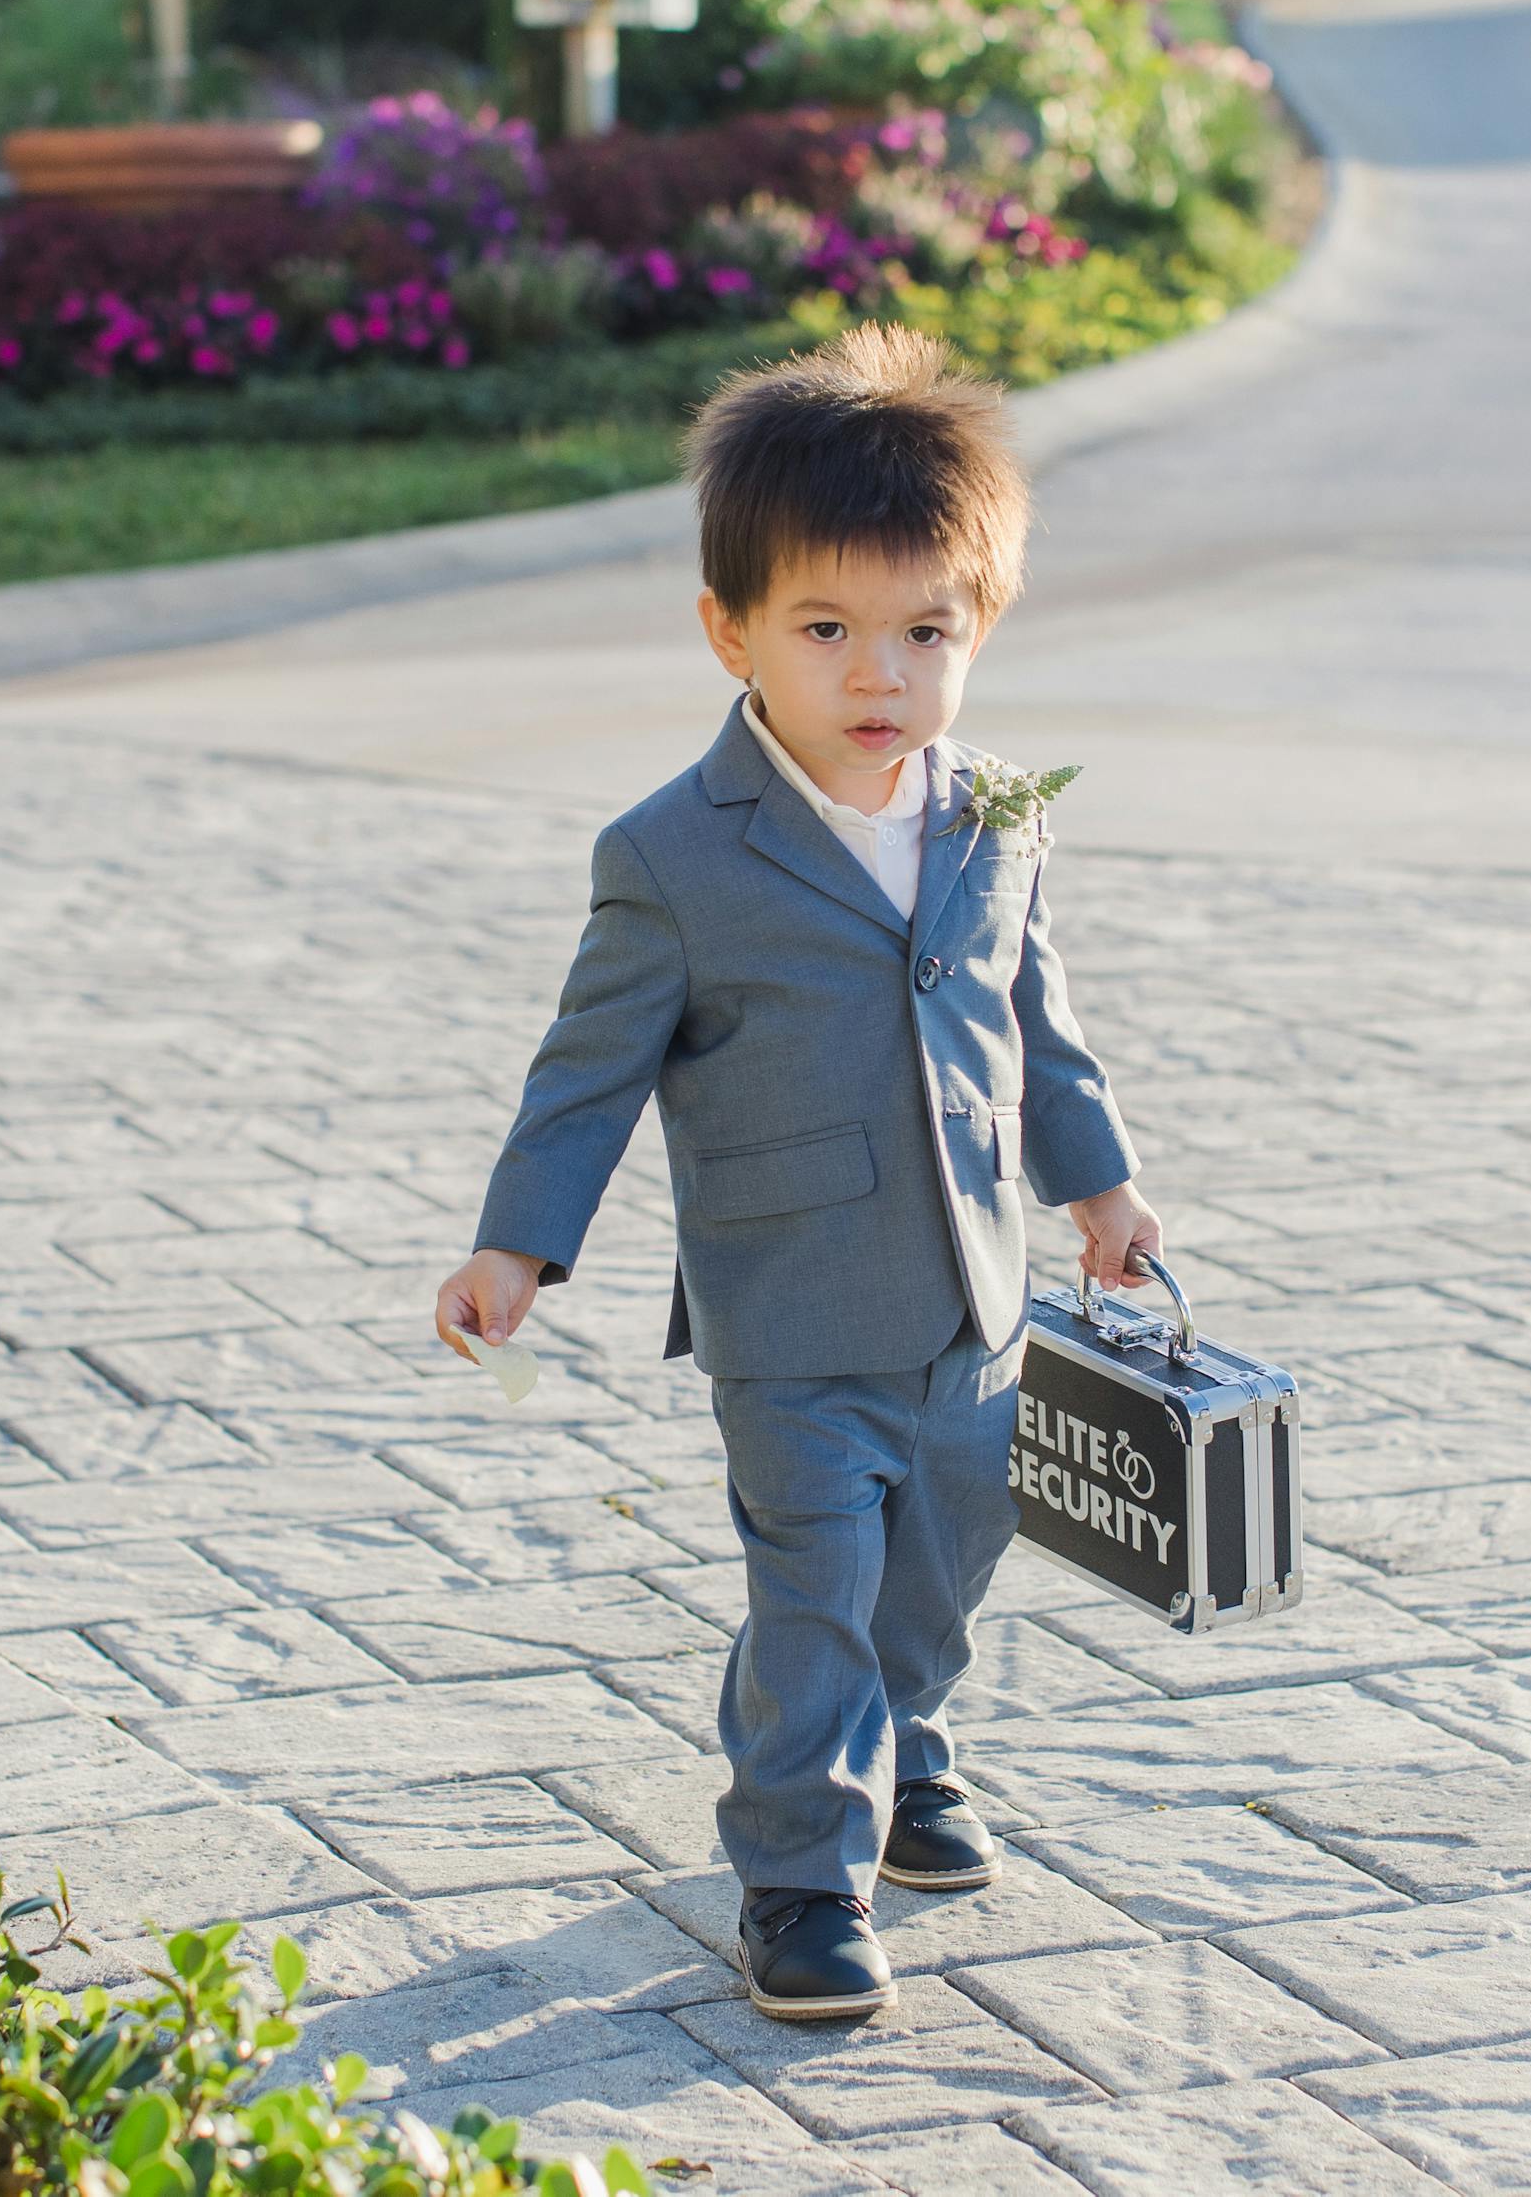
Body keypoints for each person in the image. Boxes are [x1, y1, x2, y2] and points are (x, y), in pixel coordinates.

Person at [432, 324, 1164, 2022]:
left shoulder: (995, 815)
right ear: (732, 632)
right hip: (793, 1314)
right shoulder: (674, 855)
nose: (876, 674)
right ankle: (799, 1876)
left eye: (925, 633)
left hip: (975, 1303)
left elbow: (1038, 1026)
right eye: (825, 631)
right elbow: (587, 1072)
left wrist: (1102, 1190)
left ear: (981, 630)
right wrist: (515, 1248)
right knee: (818, 1589)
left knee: (943, 1568)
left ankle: (911, 1745)